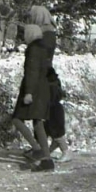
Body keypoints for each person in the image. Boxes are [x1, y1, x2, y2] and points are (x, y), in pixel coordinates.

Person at [12, 24, 53, 171]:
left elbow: (32, 71)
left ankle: (37, 150)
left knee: (17, 118)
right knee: (38, 122)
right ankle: (47, 159)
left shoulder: (33, 49)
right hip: (43, 89)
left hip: (33, 89)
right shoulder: (44, 48)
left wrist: (28, 92)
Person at [46, 67, 71, 162]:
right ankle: (50, 149)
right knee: (53, 131)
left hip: (53, 110)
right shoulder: (55, 83)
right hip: (55, 109)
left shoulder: (51, 86)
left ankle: (65, 151)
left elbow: (51, 99)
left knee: (57, 132)